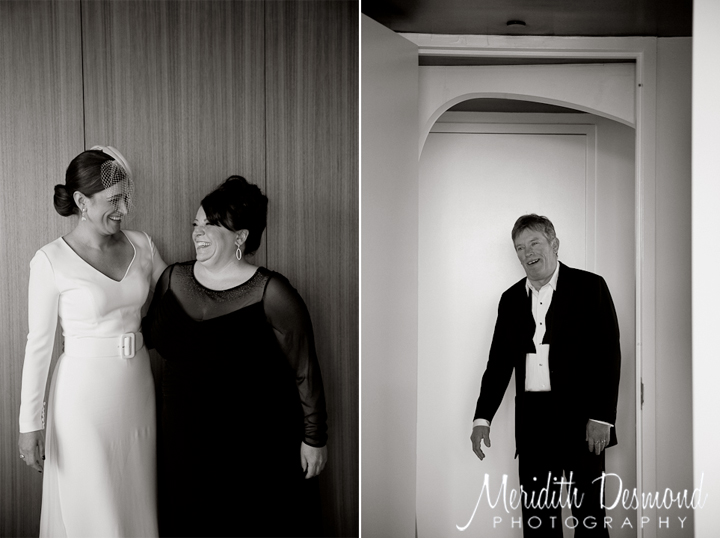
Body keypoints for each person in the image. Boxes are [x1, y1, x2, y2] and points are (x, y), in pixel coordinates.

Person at [142, 175, 328, 538]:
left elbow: (305, 369)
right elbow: (144, 335)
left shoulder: (272, 292)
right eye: (196, 223)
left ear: (240, 236)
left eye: (210, 225)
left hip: (252, 447)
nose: (197, 233)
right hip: (184, 443)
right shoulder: (172, 280)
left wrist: (314, 438)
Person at [18, 146, 167, 537]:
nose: (124, 209)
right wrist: (29, 424)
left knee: (133, 495)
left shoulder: (143, 245)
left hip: (137, 389)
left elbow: (178, 303)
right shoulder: (50, 260)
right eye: (114, 200)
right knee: (92, 500)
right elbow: (38, 345)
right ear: (82, 202)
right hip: (82, 400)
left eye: (126, 198)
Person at [470, 214, 621, 537]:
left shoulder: (590, 287)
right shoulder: (510, 300)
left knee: (589, 516)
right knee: (538, 520)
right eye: (520, 247)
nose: (527, 253)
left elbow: (608, 355)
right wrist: (482, 418)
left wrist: (602, 417)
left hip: (583, 421)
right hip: (533, 426)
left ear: (554, 244)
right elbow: (498, 365)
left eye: (534, 243)